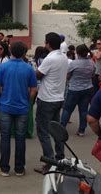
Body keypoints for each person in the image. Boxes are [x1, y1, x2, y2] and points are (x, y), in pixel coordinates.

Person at [0, 41, 37, 177]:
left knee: (5, 138)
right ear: (24, 52)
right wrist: (28, 102)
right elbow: (33, 89)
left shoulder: (3, 67)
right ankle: (19, 169)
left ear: (10, 50)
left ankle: (4, 169)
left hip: (5, 106)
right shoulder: (29, 68)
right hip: (22, 107)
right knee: (20, 138)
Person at [34, 32, 69, 174]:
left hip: (47, 99)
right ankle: (60, 159)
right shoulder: (64, 57)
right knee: (57, 130)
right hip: (58, 98)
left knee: (43, 131)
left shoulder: (50, 58)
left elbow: (38, 74)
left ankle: (49, 162)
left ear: (48, 44)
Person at [60, 44, 95, 136]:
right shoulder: (91, 63)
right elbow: (92, 75)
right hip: (87, 88)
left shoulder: (74, 63)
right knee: (83, 110)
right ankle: (81, 130)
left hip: (74, 89)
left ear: (77, 53)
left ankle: (61, 128)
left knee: (67, 109)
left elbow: (67, 76)